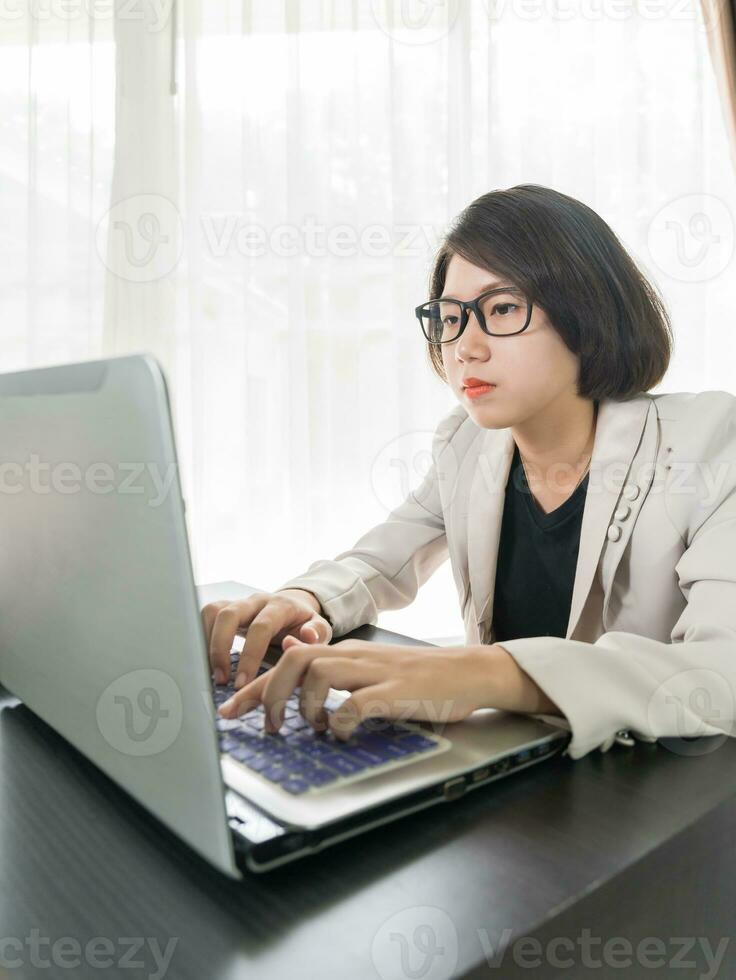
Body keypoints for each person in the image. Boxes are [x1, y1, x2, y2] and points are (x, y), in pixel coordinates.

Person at [202, 183, 736, 760]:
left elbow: (719, 673)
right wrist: (305, 598)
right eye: (451, 317)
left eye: (502, 308)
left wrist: (481, 672)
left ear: (587, 313)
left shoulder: (709, 441)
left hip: (658, 791)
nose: (465, 348)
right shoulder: (466, 443)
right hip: (508, 768)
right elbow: (377, 564)